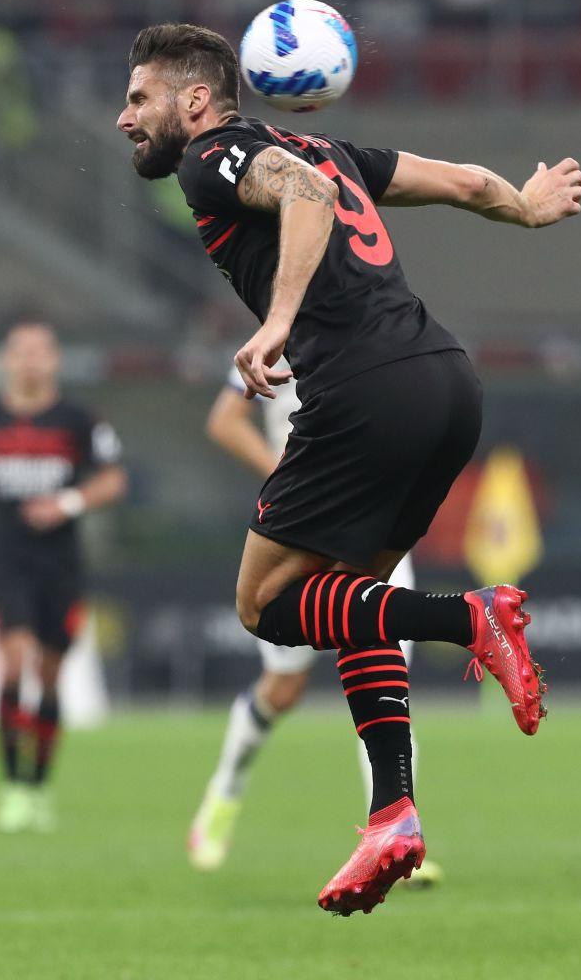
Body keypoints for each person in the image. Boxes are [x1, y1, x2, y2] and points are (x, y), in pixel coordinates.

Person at [117, 23, 581, 915]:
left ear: (196, 100)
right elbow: (464, 183)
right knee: (352, 602)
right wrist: (525, 208)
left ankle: (468, 617)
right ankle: (391, 816)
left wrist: (276, 320)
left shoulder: (211, 158)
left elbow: (303, 197)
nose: (123, 116)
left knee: (265, 605)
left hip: (362, 393)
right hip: (444, 381)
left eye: (139, 98)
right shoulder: (327, 146)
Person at [188, 361, 441, 888]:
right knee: (283, 690)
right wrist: (290, 478)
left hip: (374, 526)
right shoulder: (278, 340)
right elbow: (225, 420)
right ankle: (224, 793)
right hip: (300, 530)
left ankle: (394, 837)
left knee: (387, 683)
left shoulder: (380, 337)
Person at [0, 321, 127, 833]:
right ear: (7, 360)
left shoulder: (78, 419)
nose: (30, 361)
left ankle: (39, 785)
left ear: (54, 360)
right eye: (21, 351)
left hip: (61, 564)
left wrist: (67, 503)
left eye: (39, 352)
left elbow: (114, 479)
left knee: (49, 674)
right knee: (13, 663)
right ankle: (11, 785)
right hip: (8, 559)